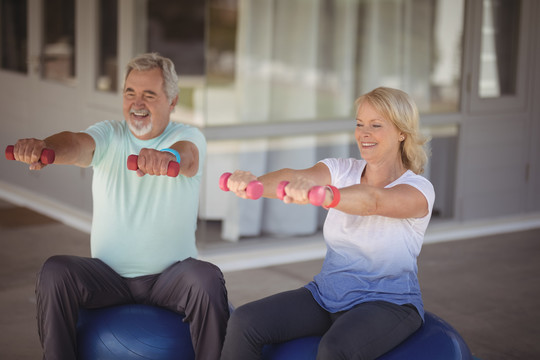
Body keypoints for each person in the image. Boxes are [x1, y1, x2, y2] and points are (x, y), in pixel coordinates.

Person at [10, 53, 229, 360]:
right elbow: (75, 143)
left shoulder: (187, 135)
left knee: (206, 279)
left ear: (173, 101)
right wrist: (45, 148)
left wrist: (168, 158)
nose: (137, 104)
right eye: (130, 93)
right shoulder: (110, 134)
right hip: (107, 278)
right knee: (54, 272)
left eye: (149, 95)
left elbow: (187, 157)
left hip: (169, 280)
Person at [220, 87, 435, 360]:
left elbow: (374, 201)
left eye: (376, 125)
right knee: (246, 321)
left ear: (402, 132)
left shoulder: (418, 189)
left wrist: (329, 195)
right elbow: (295, 176)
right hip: (326, 295)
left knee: (335, 350)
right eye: (359, 124)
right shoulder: (342, 169)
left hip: (388, 303)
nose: (364, 133)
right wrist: (255, 184)